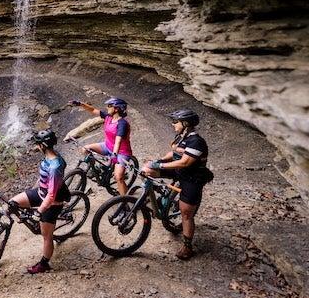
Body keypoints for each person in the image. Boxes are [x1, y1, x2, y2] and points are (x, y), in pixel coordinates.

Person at [142, 109, 212, 260]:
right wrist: (158, 161)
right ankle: (163, 196)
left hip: (192, 177)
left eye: (176, 122)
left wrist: (160, 166)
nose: (173, 124)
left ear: (185, 124)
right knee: (147, 170)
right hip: (179, 171)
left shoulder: (197, 142)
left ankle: (187, 246)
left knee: (186, 213)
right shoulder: (181, 137)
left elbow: (185, 161)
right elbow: (174, 154)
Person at [5, 129, 70, 274]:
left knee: (46, 236)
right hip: (41, 193)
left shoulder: (54, 167)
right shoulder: (50, 156)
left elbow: (51, 195)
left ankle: (44, 264)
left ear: (43, 146)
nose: (36, 146)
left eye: (38, 144)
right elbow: (43, 180)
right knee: (12, 203)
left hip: (51, 203)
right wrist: (32, 192)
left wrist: (39, 211)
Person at [69, 97, 133, 195]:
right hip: (107, 146)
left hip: (121, 152)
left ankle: (124, 201)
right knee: (85, 149)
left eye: (109, 106)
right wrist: (80, 103)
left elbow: (118, 141)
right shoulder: (108, 117)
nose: (107, 108)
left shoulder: (122, 123)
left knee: (118, 177)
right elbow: (93, 110)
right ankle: (96, 170)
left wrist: (114, 155)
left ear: (116, 109)